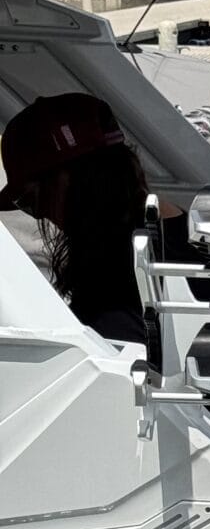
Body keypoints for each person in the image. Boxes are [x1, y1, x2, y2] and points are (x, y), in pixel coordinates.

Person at [0, 93, 160, 344]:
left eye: (31, 200)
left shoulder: (114, 293)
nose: (41, 214)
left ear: (80, 178)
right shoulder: (189, 241)